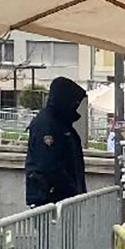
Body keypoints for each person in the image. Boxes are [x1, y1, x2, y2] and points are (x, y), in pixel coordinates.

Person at [24, 75, 88, 206]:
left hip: (63, 198)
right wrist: (71, 189)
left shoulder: (62, 124)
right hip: (50, 199)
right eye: (74, 102)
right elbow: (48, 165)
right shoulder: (46, 125)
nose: (76, 106)